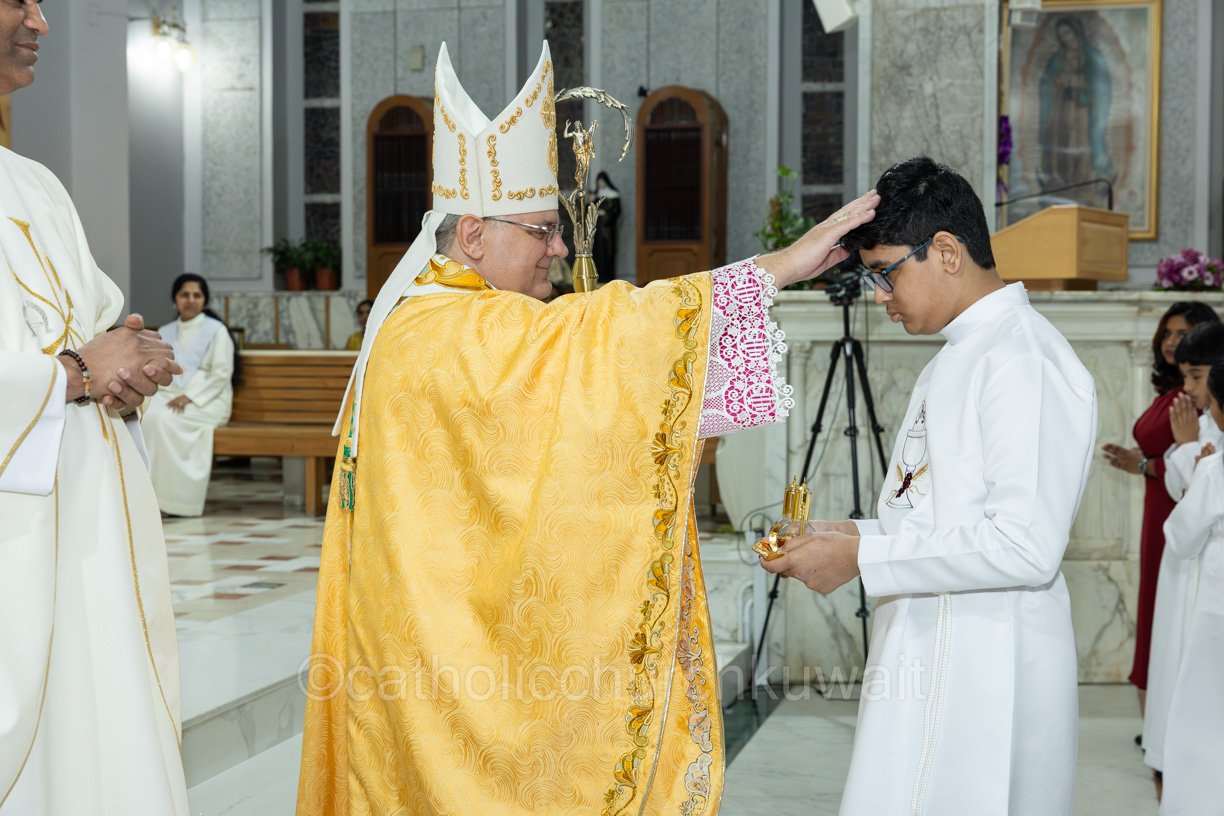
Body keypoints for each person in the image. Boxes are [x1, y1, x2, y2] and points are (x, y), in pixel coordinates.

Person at [294, 42, 878, 816]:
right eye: (542, 231)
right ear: (473, 236)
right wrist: (779, 267)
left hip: (432, 661)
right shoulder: (452, 331)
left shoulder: (424, 324)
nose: (562, 248)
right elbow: (607, 341)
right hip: (440, 669)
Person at [761, 156, 1097, 815]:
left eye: (885, 273)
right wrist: (846, 535)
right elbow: (936, 518)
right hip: (930, 650)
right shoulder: (961, 354)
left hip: (988, 669)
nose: (880, 296)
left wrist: (863, 556)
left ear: (946, 251)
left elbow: (1026, 547)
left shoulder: (1021, 358)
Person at [0, 3, 189, 814]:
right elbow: (73, 362)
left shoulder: (34, 183)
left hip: (90, 546)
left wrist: (127, 361)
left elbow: (97, 330)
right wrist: (77, 373)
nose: (41, 21)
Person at [1102, 302, 1219, 734]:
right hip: (1166, 509)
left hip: (1185, 516)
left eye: (1182, 333)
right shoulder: (1178, 392)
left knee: (1180, 621)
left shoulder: (1202, 403)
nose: (1171, 342)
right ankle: (1161, 724)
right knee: (1160, 613)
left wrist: (1150, 463)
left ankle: (1175, 727)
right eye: (1167, 333)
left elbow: (1199, 468)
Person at [1142, 319, 1224, 782]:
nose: (1188, 388)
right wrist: (1188, 451)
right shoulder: (1202, 420)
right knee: (1174, 659)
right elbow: (1179, 485)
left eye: (1196, 376)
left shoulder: (1215, 423)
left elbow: (1199, 498)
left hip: (1205, 568)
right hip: (1186, 568)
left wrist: (1193, 455)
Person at [1159, 362, 1224, 813]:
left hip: (1217, 609)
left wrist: (1197, 472)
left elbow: (1181, 537)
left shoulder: (1215, 470)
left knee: (1204, 713)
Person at [142, 274, 237, 517]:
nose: (191, 300)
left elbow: (221, 373)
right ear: (175, 299)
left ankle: (176, 502)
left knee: (165, 420)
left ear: (204, 300)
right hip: (170, 395)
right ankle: (149, 499)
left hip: (208, 401)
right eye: (185, 295)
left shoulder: (217, 331)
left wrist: (190, 397)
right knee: (147, 417)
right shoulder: (165, 331)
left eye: (197, 295)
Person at [591, 171, 621, 283]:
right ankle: (598, 277)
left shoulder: (614, 194)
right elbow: (588, 209)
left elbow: (616, 211)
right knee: (597, 251)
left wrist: (606, 214)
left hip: (608, 229)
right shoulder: (596, 195)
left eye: (602, 181)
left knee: (608, 251)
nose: (601, 184)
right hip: (597, 228)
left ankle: (608, 277)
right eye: (599, 182)